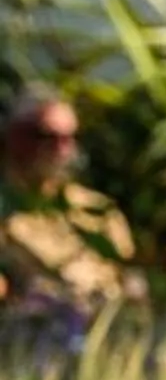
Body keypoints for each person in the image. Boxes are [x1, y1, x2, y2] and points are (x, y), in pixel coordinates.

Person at [0, 86, 139, 313]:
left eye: (69, 138)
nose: (62, 150)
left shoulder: (97, 210)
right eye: (47, 137)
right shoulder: (6, 209)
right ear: (15, 137)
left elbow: (130, 280)